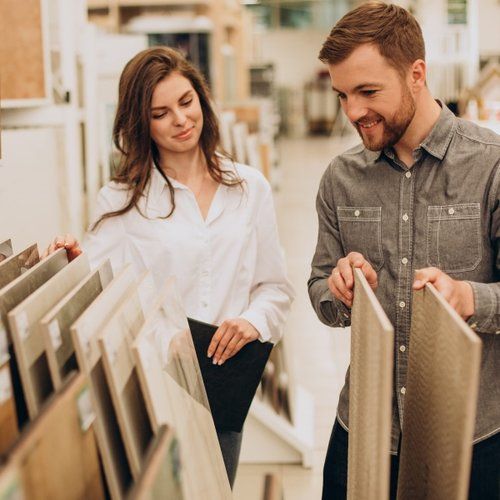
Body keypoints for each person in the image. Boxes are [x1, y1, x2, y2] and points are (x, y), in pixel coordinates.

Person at [46, 46, 294, 487]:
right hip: (155, 386)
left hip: (222, 386)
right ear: (142, 123)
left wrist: (251, 321)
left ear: (201, 99)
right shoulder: (122, 202)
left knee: (217, 490)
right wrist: (71, 264)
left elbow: (275, 288)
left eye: (186, 102)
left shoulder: (249, 188)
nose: (180, 120)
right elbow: (103, 298)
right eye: (160, 113)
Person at [308, 2, 500, 499]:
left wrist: (467, 298)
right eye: (343, 95)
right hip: (366, 430)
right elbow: (320, 292)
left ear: (417, 74)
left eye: (368, 91)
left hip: (472, 436)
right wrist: (337, 288)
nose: (353, 112)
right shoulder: (340, 180)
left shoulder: (490, 169)